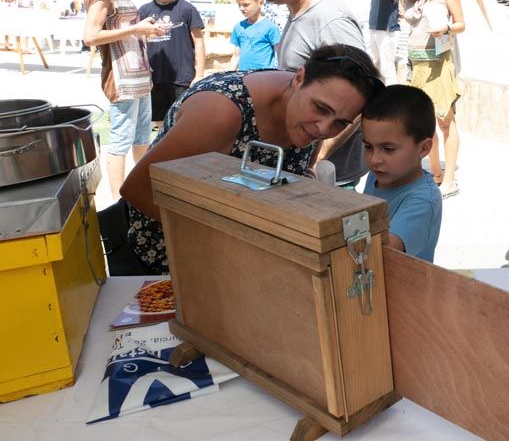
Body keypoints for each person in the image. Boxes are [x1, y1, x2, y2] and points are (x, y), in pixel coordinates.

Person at [121, 44, 383, 273]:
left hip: (247, 257)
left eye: (340, 122)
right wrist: (239, 237)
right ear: (299, 78)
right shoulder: (221, 113)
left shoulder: (307, 114)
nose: (324, 129)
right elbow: (137, 188)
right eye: (321, 109)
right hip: (174, 256)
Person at [232, 0, 370, 187]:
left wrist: (317, 161)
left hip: (327, 177)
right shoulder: (298, 12)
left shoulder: (330, 19)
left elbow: (360, 100)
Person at [82, 0, 167, 199]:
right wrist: (136, 29)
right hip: (121, 77)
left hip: (139, 75)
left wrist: (145, 30)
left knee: (142, 136)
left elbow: (124, 28)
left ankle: (140, 189)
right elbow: (90, 36)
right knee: (119, 140)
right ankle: (119, 200)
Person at [395, 0, 466, 198]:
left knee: (445, 122)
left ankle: (450, 180)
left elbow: (461, 24)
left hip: (439, 62)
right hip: (415, 63)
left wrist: (446, 29)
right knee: (423, 125)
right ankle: (435, 173)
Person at [361, 85, 442, 264]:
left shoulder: (423, 201)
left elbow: (382, 252)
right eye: (368, 147)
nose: (375, 159)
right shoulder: (379, 174)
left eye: (388, 149)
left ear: (423, 148)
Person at [138, 0, 206, 129]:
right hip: (155, 77)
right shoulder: (144, 11)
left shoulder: (187, 9)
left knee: (182, 123)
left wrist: (199, 74)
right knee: (159, 124)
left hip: (182, 77)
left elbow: (199, 42)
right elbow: (140, 43)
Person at [228, 0, 280, 71]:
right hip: (243, 76)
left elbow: (279, 53)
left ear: (260, 3)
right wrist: (228, 76)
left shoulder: (270, 27)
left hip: (264, 77)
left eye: (246, 5)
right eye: (239, 5)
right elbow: (237, 55)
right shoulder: (238, 27)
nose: (241, 8)